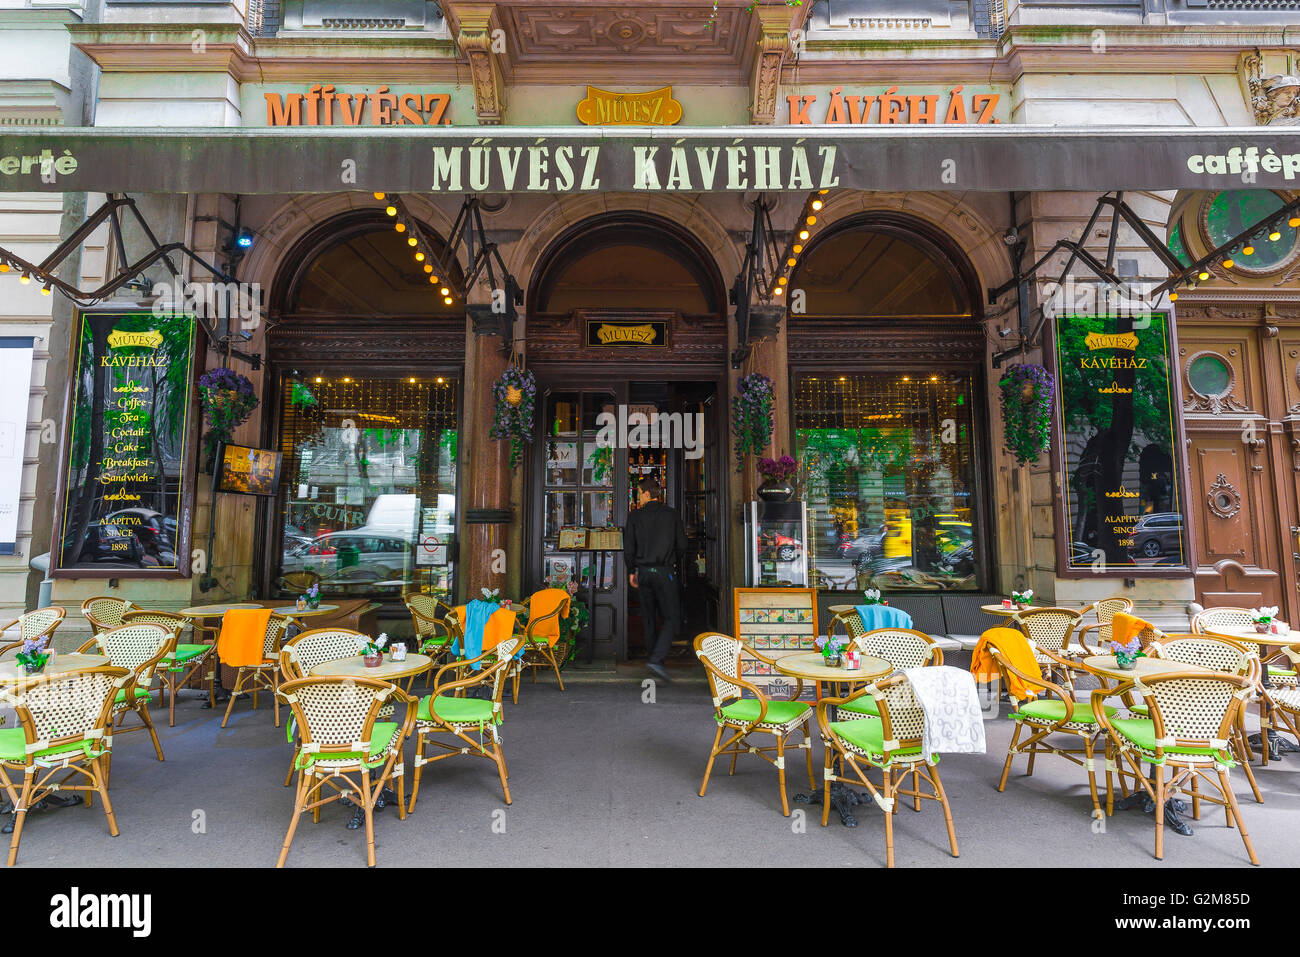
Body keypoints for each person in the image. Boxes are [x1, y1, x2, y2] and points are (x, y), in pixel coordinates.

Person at [624, 476, 687, 684]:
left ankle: (654, 659)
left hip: (642, 571)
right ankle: (657, 660)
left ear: (647, 493)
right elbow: (682, 545)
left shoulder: (634, 517)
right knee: (671, 617)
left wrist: (632, 571)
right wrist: (674, 562)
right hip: (664, 571)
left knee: (648, 617)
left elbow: (629, 547)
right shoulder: (672, 515)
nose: (638, 497)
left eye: (639, 493)